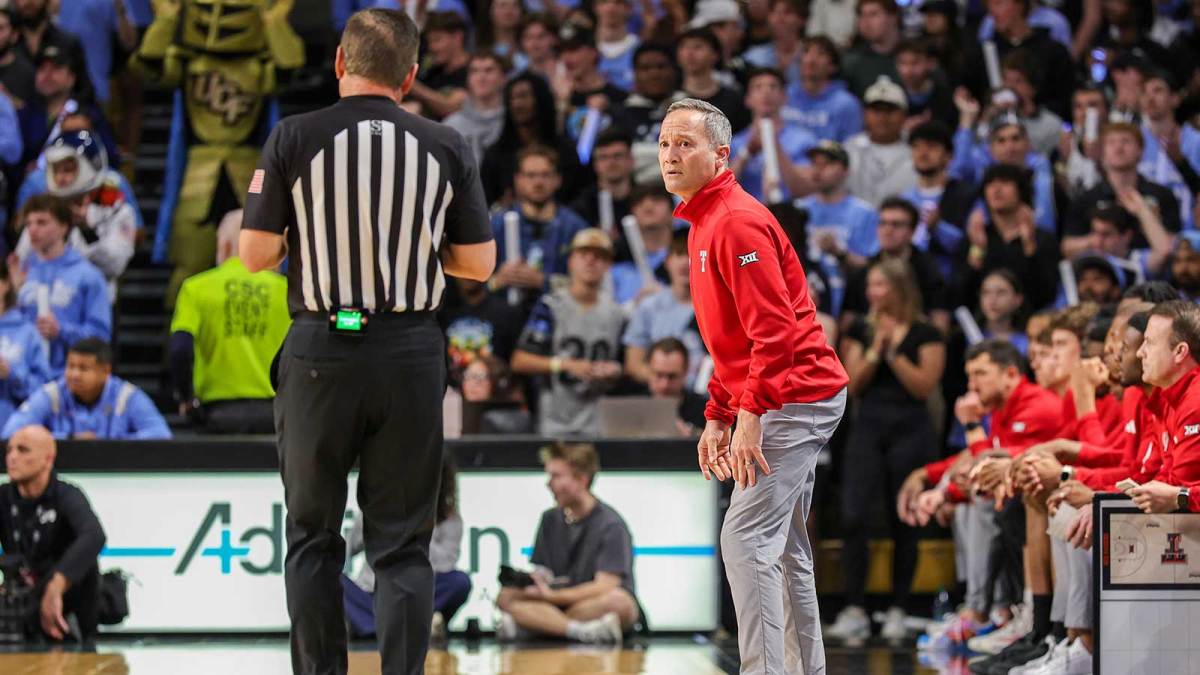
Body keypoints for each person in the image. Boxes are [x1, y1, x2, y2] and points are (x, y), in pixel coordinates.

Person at [238, 10, 497, 674]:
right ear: (410, 77)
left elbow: (255, 254)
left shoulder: (294, 135)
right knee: (403, 547)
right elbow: (478, 265)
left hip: (321, 349)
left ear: (339, 64)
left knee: (312, 539)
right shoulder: (447, 144)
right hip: (411, 351)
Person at [660, 98, 848, 675]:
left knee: (745, 540)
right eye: (665, 143)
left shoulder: (736, 221)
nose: (670, 155)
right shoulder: (703, 222)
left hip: (797, 393)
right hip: (785, 392)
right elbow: (732, 341)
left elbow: (774, 332)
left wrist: (749, 414)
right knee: (783, 549)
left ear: (721, 155)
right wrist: (718, 411)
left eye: (685, 144)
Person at [830, 258, 946, 643]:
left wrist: (895, 355)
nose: (873, 293)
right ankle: (855, 607)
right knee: (854, 514)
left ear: (899, 288)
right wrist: (875, 350)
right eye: (871, 286)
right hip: (869, 427)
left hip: (911, 428)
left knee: (905, 520)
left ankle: (899, 607)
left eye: (881, 285)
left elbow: (923, 387)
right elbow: (851, 384)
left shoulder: (926, 332)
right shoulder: (861, 330)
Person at [496, 442, 640, 643]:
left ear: (581, 480)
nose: (548, 484)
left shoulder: (611, 525)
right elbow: (544, 569)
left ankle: (538, 626)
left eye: (556, 476)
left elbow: (605, 586)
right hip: (557, 603)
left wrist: (551, 598)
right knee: (506, 596)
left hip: (588, 603)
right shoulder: (549, 519)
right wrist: (535, 582)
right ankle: (580, 631)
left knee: (620, 603)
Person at [169, 211, 290, 434]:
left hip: (217, 413)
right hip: (276, 413)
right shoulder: (287, 291)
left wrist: (186, 397)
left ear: (223, 246)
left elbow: (180, 348)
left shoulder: (196, 288)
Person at [343, 456, 473, 642]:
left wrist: (413, 532)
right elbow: (348, 546)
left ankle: (373, 626)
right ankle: (398, 626)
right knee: (329, 579)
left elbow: (446, 563)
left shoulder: (450, 520)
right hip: (373, 591)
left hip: (417, 592)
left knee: (460, 582)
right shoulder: (378, 508)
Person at [511, 229, 625, 436]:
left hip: (600, 421)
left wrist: (614, 369)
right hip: (556, 419)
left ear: (608, 265)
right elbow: (520, 360)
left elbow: (626, 363)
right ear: (570, 261)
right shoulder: (551, 306)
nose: (590, 261)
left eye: (599, 256)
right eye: (584, 255)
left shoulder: (617, 313)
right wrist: (563, 364)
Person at [0, 425, 106, 642]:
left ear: (48, 459)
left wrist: (56, 586)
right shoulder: (3, 497)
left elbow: (94, 535)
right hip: (22, 602)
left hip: (69, 607)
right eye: (9, 450)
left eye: (23, 450)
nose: (12, 457)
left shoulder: (66, 494)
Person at [15, 131, 136, 290]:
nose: (60, 178)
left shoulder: (116, 210)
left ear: (90, 166)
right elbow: (22, 260)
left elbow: (115, 265)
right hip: (45, 305)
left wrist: (86, 230)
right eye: (56, 170)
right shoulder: (44, 211)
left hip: (95, 306)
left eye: (68, 170)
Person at [11, 194, 111, 377]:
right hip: (24, 379)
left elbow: (101, 337)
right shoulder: (21, 273)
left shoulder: (88, 276)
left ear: (64, 227)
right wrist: (13, 296)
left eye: (41, 222)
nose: (32, 230)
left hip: (69, 378)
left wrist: (61, 331)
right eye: (29, 224)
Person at [1, 338, 169, 440]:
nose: (74, 374)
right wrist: (68, 439)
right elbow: (10, 433)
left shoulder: (127, 396)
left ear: (105, 371)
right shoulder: (52, 394)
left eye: (83, 368)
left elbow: (161, 435)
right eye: (70, 366)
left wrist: (108, 443)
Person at [1063, 122, 1182, 258]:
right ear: (1102, 153)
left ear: (1141, 151)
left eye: (1126, 141)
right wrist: (1100, 238)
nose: (1119, 148)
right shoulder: (1086, 199)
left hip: (1150, 265)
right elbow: (1067, 247)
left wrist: (1146, 216)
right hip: (1102, 266)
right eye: (1111, 142)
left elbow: (1173, 244)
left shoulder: (1162, 195)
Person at [488, 145, 590, 297]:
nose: (538, 182)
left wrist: (544, 281)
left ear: (558, 180)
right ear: (518, 180)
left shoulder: (575, 228)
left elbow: (589, 286)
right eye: (531, 175)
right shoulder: (496, 226)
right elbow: (470, 288)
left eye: (545, 175)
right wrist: (497, 281)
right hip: (504, 313)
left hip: (559, 314)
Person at [1128, 301, 1200, 514]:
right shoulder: (1169, 400)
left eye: (1148, 342)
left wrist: (1182, 497)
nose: (1140, 353)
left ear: (1179, 352)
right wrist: (1102, 498)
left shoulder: (1195, 402)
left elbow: (1177, 487)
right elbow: (1166, 477)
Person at [842, 197, 949, 331]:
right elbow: (848, 320)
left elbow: (940, 322)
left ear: (912, 231)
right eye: (883, 223)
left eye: (896, 224)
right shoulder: (865, 270)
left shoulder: (928, 271)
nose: (888, 230)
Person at [964, 164, 1059, 310]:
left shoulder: (1042, 239)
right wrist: (978, 249)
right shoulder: (976, 236)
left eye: (1005, 182)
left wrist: (1029, 247)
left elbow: (1046, 293)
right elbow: (962, 295)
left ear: (1020, 190)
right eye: (990, 184)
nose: (996, 189)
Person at [622, 230, 705, 386]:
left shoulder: (720, 308)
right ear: (667, 261)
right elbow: (633, 364)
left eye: (692, 255)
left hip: (709, 401)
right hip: (661, 400)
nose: (685, 262)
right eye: (679, 254)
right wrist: (666, 381)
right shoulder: (649, 307)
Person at [729, 67, 817, 203]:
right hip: (748, 215)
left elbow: (802, 188)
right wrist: (746, 152)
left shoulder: (803, 140)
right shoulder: (735, 143)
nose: (766, 92)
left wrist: (774, 144)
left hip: (788, 213)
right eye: (758, 87)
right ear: (748, 99)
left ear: (784, 97)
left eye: (773, 87)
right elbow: (721, 188)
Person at [844, 76, 918, 207]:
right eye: (876, 110)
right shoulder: (848, 149)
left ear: (904, 115)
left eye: (890, 111)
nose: (883, 117)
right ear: (864, 114)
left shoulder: (916, 150)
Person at [0, 257, 50, 431]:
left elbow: (44, 392)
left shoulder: (28, 332)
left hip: (12, 432)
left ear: (5, 284)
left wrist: (11, 373)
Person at [786, 36, 863, 143]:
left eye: (820, 54)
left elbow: (851, 148)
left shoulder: (846, 104)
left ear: (833, 66)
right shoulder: (784, 96)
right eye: (806, 52)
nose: (811, 60)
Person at [609, 185, 675, 304]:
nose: (648, 206)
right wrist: (633, 306)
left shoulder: (690, 257)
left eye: (657, 200)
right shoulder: (616, 264)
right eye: (639, 202)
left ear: (673, 212)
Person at [442, 52, 508, 166]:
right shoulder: (451, 126)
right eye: (474, 71)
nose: (481, 77)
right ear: (468, 79)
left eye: (489, 70)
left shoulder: (514, 122)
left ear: (503, 78)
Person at [408, 12, 470, 120]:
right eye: (430, 42)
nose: (432, 47)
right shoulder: (433, 70)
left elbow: (450, 106)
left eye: (437, 40)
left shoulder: (475, 69)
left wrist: (412, 84)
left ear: (457, 37)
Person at [645, 337, 708, 433]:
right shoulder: (631, 404)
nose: (664, 385)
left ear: (686, 371)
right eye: (659, 375)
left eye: (672, 376)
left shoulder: (705, 410)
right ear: (648, 370)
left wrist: (693, 438)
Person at [742, 0, 807, 82]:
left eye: (787, 12)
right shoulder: (752, 57)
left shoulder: (810, 56)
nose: (780, 18)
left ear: (802, 19)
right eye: (774, 12)